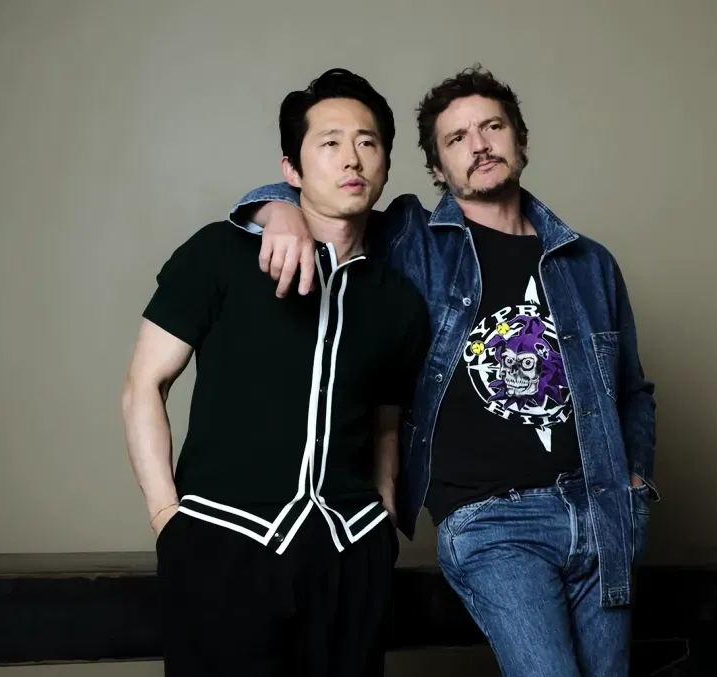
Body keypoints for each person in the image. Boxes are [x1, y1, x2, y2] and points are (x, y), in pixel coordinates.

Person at [228, 65, 659, 677]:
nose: (479, 145)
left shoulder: (589, 263)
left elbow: (632, 391)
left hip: (602, 514)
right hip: (493, 522)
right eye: (457, 138)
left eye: (492, 127)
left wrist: (636, 484)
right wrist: (279, 211)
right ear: (436, 166)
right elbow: (326, 201)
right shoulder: (413, 238)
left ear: (520, 139)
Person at [120, 68, 431, 677]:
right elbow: (143, 387)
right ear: (291, 168)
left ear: (387, 164)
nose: (352, 158)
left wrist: (384, 520)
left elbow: (387, 424)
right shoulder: (219, 253)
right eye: (330, 142)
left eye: (367, 142)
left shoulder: (399, 300)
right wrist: (166, 519)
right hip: (220, 544)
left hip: (351, 555)